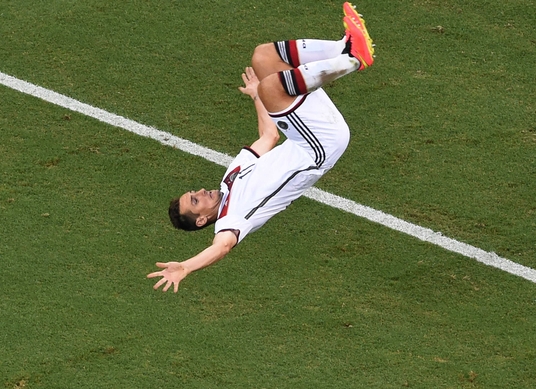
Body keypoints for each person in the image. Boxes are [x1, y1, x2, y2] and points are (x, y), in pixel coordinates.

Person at [147, 2, 375, 292]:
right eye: (195, 201)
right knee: (273, 88)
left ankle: (345, 48)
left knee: (263, 57)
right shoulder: (231, 220)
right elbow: (221, 248)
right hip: (319, 148)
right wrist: (187, 266)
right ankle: (353, 59)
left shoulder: (230, 178)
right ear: (203, 219)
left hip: (306, 136)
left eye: (192, 192)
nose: (199, 192)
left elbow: (269, 136)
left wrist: (256, 96)